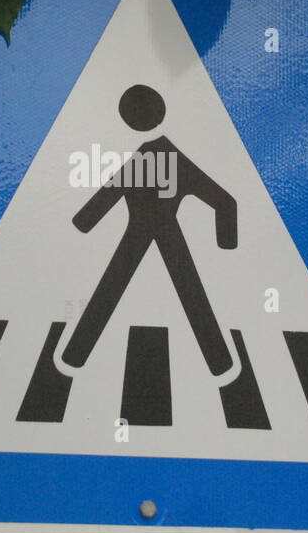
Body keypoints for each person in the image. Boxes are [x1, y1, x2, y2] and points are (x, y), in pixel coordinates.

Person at [61, 84, 238, 375]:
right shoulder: (173, 158)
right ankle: (220, 362)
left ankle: (75, 355)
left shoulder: (141, 160)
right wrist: (225, 242)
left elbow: (104, 199)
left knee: (110, 290)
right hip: (166, 232)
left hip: (143, 232)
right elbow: (224, 201)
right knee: (192, 293)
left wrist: (84, 223)